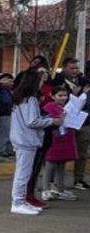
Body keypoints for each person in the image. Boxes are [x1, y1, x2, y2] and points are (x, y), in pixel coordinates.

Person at [10, 67, 63, 215]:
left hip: (23, 139)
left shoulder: (23, 97)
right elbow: (32, 121)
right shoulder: (30, 99)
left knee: (24, 173)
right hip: (26, 140)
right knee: (23, 173)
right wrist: (52, 121)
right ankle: (18, 202)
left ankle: (21, 200)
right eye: (40, 80)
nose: (42, 83)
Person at [51, 59, 90, 190]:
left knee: (82, 152)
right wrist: (72, 95)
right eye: (71, 68)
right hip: (63, 121)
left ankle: (78, 179)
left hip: (82, 121)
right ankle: (54, 181)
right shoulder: (57, 80)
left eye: (76, 68)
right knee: (60, 152)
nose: (75, 71)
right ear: (65, 68)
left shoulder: (83, 81)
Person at [41, 88, 79, 202]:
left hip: (65, 139)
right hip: (54, 139)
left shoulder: (66, 108)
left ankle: (60, 189)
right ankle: (46, 189)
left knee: (61, 165)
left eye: (65, 95)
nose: (63, 98)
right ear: (53, 96)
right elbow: (46, 122)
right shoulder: (49, 107)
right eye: (60, 95)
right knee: (50, 165)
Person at [0, 73, 15, 158]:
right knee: (5, 133)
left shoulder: (9, 90)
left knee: (10, 133)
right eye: (10, 81)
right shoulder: (2, 90)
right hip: (4, 113)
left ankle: (8, 149)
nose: (12, 83)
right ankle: (2, 149)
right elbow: (6, 100)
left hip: (8, 113)